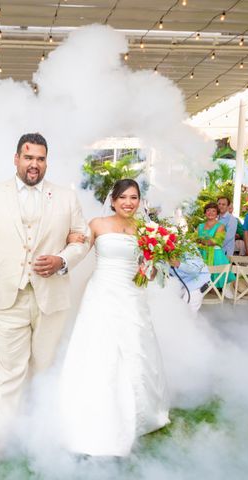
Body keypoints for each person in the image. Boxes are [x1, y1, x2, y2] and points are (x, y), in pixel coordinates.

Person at [0, 133, 90, 457]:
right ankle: (1, 433)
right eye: (29, 157)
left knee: (44, 364)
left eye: (41, 158)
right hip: (6, 293)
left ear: (47, 161)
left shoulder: (65, 197)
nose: (35, 164)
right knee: (9, 365)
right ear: (16, 158)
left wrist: (63, 259)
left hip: (51, 295)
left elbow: (82, 239)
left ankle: (36, 428)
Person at [59, 179, 169, 457]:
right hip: (102, 294)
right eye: (123, 197)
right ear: (113, 200)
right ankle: (97, 408)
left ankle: (141, 408)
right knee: (100, 348)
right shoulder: (97, 224)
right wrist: (61, 259)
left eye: (134, 197)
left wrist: (149, 268)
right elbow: (79, 252)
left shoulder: (147, 230)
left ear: (140, 201)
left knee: (136, 347)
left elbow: (149, 271)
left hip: (133, 295)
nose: (129, 202)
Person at [196, 202, 235, 288]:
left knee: (217, 284)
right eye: (208, 210)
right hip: (201, 254)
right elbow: (193, 240)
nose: (210, 213)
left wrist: (201, 240)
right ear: (205, 213)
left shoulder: (220, 226)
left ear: (217, 213)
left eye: (213, 211)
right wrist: (200, 241)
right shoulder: (200, 226)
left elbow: (215, 241)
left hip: (215, 255)